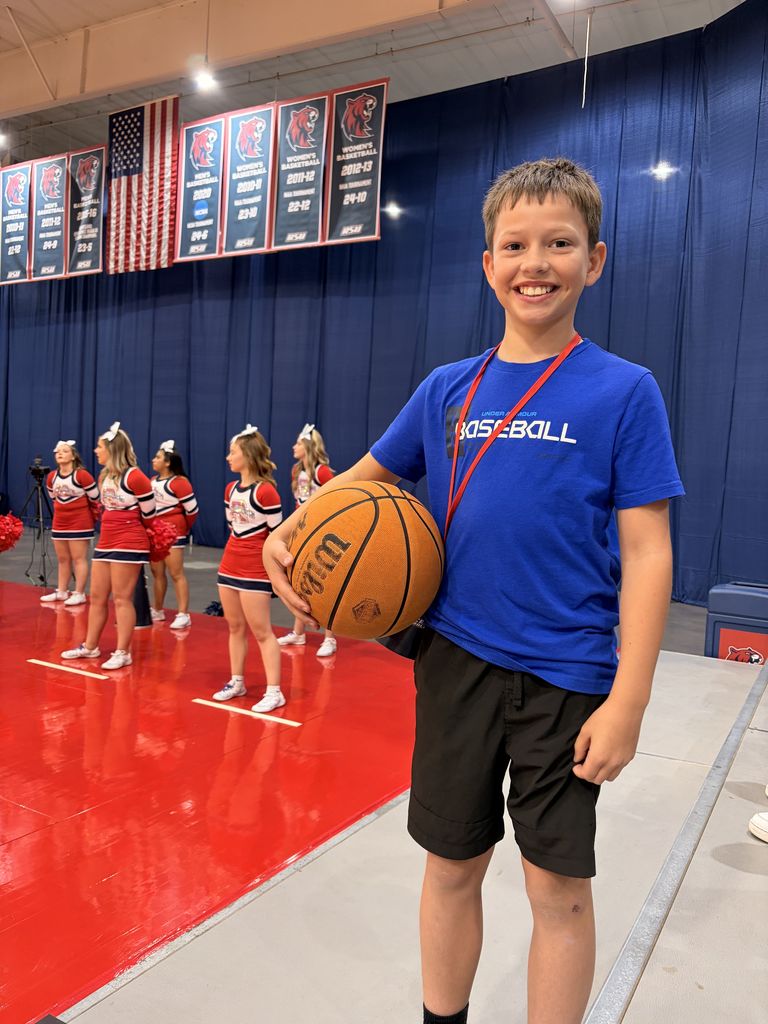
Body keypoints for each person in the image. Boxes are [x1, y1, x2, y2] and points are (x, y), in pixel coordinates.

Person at [264, 158, 685, 1024]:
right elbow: (362, 481)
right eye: (516, 245)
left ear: (595, 261)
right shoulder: (448, 389)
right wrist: (289, 532)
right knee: (452, 864)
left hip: (566, 673)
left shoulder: (624, 391)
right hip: (455, 660)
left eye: (559, 244)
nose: (537, 263)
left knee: (557, 888)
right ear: (489, 264)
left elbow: (648, 553)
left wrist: (630, 700)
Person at [61, 422, 155, 671]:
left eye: (100, 447)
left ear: (112, 449)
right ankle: (90, 646)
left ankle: (124, 652)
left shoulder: (136, 477)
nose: (95, 450)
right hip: (106, 539)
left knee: (122, 599)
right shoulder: (104, 476)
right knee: (97, 596)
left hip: (129, 540)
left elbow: (150, 514)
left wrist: (129, 528)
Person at [212, 425, 285, 714]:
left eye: (233, 452)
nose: (228, 457)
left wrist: (276, 573)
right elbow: (233, 526)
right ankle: (237, 681)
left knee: (262, 631)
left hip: (255, 570)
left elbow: (277, 536)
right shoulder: (230, 489)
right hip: (229, 565)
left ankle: (274, 691)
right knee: (234, 627)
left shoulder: (267, 492)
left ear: (249, 456)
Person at [277, 423, 338, 658]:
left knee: (329, 585)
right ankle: (298, 632)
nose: (293, 447)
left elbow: (336, 499)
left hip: (320, 532)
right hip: (301, 532)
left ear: (308, 446)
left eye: (298, 443)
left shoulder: (322, 471)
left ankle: (330, 638)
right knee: (299, 581)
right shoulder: (296, 470)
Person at [41, 439, 100, 606]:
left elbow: (95, 497)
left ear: (73, 456)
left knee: (79, 558)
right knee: (62, 559)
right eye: (58, 451)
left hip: (80, 522)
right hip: (59, 522)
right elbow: (53, 498)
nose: (60, 453)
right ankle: (61, 591)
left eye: (65, 451)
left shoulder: (82, 475)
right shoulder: (51, 477)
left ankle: (79, 593)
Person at [149, 439, 199, 629]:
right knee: (157, 573)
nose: (154, 460)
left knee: (176, 573)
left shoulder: (179, 483)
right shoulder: (152, 481)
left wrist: (182, 528)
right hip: (155, 532)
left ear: (168, 462)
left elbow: (192, 510)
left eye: (158, 457)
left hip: (173, 532)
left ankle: (183, 613)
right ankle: (157, 609)